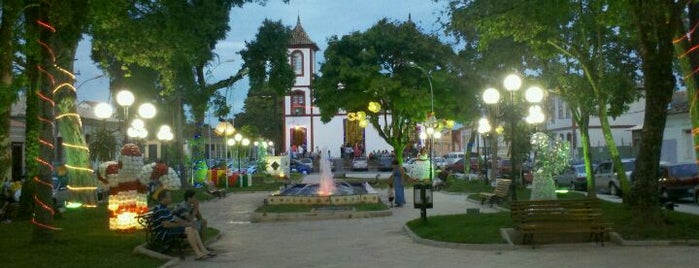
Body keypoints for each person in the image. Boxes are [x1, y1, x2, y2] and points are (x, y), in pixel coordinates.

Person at [152, 190, 215, 260]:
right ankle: (198, 253)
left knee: (192, 227)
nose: (171, 199)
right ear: (163, 199)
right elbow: (166, 225)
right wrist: (182, 225)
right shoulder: (159, 209)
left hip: (169, 230)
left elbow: (175, 219)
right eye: (169, 197)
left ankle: (203, 250)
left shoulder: (165, 208)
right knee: (189, 229)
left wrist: (187, 223)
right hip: (163, 233)